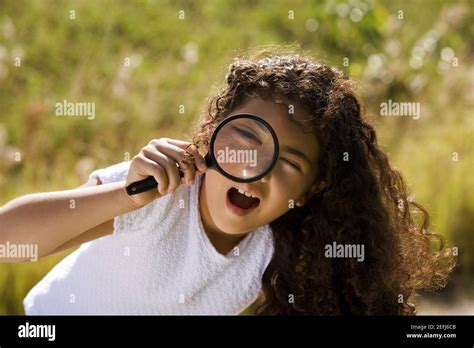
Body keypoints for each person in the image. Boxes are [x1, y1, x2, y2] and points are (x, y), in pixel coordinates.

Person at [0, 48, 456, 315]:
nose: (252, 166)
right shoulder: (161, 194)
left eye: (289, 163)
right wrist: (124, 196)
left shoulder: (278, 253)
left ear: (311, 192)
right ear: (210, 134)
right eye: (245, 138)